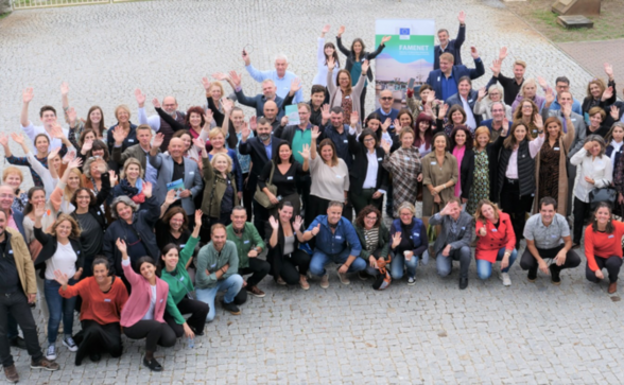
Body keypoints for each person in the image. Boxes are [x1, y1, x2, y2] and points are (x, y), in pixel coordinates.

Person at [0, 211, 60, 383]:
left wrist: (31, 289)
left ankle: (36, 357)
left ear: (5, 222)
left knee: (29, 327)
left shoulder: (15, 237)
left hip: (18, 292)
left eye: (1, 220)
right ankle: (8, 364)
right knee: (1, 332)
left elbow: (27, 262)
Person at [116, 239, 176, 372]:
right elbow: (127, 270)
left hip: (151, 322)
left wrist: (160, 322)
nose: (146, 270)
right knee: (155, 326)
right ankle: (148, 358)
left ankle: (151, 338)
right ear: (140, 272)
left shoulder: (164, 285)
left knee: (170, 340)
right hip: (133, 324)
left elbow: (160, 309)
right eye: (142, 269)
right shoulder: (137, 282)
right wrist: (124, 253)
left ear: (155, 267)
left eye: (149, 266)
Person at [55, 257, 128, 365]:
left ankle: (84, 337)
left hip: (111, 320)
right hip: (91, 319)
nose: (99, 274)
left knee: (116, 351)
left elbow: (124, 305)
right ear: (93, 272)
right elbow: (71, 292)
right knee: (94, 333)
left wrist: (122, 325)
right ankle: (92, 345)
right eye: (96, 271)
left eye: (102, 271)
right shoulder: (87, 282)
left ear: (108, 270)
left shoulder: (118, 284)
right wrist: (65, 286)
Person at [33, 211, 84, 360]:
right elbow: (38, 233)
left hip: (71, 283)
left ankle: (67, 337)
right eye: (62, 226)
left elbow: (81, 255)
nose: (65, 229)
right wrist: (37, 218)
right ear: (55, 228)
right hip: (53, 284)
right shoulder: (49, 240)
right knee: (55, 316)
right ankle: (51, 344)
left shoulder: (74, 241)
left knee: (69, 313)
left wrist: (80, 269)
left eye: (68, 227)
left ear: (71, 229)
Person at [160, 210, 208, 339]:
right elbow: (170, 306)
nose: (173, 258)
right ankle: (167, 326)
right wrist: (184, 325)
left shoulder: (180, 263)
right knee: (178, 333)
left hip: (180, 302)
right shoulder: (163, 279)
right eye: (170, 255)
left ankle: (196, 328)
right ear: (163, 257)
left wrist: (197, 225)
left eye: (176, 255)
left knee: (204, 307)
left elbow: (191, 243)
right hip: (168, 309)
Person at [497, 120, 545, 248]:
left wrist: (540, 129)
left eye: (522, 131)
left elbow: (540, 140)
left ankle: (516, 240)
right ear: (513, 132)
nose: (520, 133)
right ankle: (509, 236)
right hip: (506, 185)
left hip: (522, 186)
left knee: (519, 214)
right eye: (517, 131)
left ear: (526, 132)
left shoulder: (530, 146)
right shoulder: (506, 145)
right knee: (506, 213)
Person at [103, 182, 160, 288]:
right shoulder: (113, 228)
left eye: (126, 207)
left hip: (149, 266)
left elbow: (155, 212)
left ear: (131, 206)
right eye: (120, 210)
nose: (124, 211)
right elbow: (108, 250)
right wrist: (113, 271)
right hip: (128, 272)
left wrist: (150, 197)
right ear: (116, 212)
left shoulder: (142, 216)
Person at [239, 118, 287, 237]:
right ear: (257, 130)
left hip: (276, 183)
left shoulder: (280, 142)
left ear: (271, 129)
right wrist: (244, 138)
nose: (263, 131)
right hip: (257, 183)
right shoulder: (252, 142)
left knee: (275, 211)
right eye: (261, 129)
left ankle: (274, 237)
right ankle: (259, 240)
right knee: (258, 213)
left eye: (266, 128)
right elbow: (243, 150)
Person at [301, 201, 365, 287]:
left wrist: (346, 265)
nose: (336, 216)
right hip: (322, 251)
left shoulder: (346, 223)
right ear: (327, 211)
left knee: (361, 264)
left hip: (341, 252)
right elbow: (304, 237)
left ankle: (341, 270)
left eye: (339, 213)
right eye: (333, 213)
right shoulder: (319, 220)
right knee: (314, 268)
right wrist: (312, 232)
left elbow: (356, 246)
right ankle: (323, 275)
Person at [521, 197, 580, 284]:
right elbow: (530, 245)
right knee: (525, 263)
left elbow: (568, 241)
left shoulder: (562, 221)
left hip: (555, 247)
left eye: (550, 211)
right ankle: (533, 268)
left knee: (575, 260)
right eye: (544, 210)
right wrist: (540, 260)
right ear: (539, 210)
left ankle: (555, 268)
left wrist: (563, 251)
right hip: (537, 247)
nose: (547, 214)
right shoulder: (531, 222)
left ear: (555, 211)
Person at [336, 26, 391, 117]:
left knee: (361, 105)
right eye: (355, 46)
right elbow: (340, 47)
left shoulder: (366, 55)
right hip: (349, 85)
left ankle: (361, 124)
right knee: (348, 104)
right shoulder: (349, 54)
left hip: (362, 85)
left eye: (359, 46)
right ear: (353, 47)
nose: (357, 47)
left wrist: (381, 43)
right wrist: (339, 35)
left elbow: (376, 53)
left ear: (362, 47)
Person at [195, 224, 244, 322]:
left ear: (226, 235)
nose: (220, 240)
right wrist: (222, 270)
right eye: (216, 237)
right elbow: (203, 280)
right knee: (208, 317)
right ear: (211, 236)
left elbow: (234, 269)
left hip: (220, 281)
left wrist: (214, 276)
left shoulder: (231, 246)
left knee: (238, 279)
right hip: (205, 286)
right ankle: (209, 299)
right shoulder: (203, 253)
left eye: (222, 237)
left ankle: (227, 301)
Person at [570, 135, 612, 247]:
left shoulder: (606, 160)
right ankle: (576, 240)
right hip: (580, 193)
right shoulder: (585, 156)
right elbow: (573, 161)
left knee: (593, 220)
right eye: (591, 146)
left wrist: (595, 182)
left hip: (595, 195)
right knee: (577, 217)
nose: (594, 148)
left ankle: (594, 242)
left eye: (596, 146)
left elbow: (608, 180)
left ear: (601, 146)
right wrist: (584, 149)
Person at [150, 134, 203, 219]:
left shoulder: (192, 164)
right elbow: (153, 161)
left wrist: (190, 192)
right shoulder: (163, 158)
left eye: (179, 146)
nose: (176, 149)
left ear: (183, 148)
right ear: (169, 148)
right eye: (173, 146)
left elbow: (199, 185)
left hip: (184, 206)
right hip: (165, 204)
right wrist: (154, 148)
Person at [307, 128, 349, 226]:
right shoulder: (317, 162)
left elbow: (346, 184)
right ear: (320, 152)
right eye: (324, 151)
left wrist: (345, 199)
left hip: (337, 203)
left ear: (333, 150)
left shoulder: (341, 162)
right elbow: (313, 154)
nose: (327, 153)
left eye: (329, 150)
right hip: (319, 201)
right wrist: (313, 140)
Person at [533, 117, 575, 215]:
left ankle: (557, 224)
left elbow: (571, 133)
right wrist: (539, 129)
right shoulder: (542, 140)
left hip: (557, 179)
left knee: (557, 203)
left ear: (559, 127)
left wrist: (568, 117)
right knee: (542, 202)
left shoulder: (563, 141)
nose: (553, 129)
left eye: (555, 127)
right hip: (542, 179)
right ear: (546, 128)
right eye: (550, 127)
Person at [226, 206, 270, 299]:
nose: (239, 220)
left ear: (246, 217)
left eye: (242, 217)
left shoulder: (250, 226)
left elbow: (261, 243)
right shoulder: (225, 232)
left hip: (246, 261)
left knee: (266, 266)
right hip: (233, 267)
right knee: (240, 298)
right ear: (231, 217)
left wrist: (256, 250)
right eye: (236, 217)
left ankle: (250, 285)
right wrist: (237, 278)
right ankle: (235, 283)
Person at [430, 198, 474, 290]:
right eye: (451, 209)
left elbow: (466, 239)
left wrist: (451, 246)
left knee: (466, 250)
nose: (453, 212)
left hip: (459, 248)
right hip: (443, 247)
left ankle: (463, 276)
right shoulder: (445, 214)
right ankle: (448, 264)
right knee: (443, 272)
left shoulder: (468, 219)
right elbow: (431, 222)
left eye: (455, 209)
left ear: (461, 208)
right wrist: (442, 213)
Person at [266, 202, 310, 289]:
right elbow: (272, 245)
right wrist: (275, 229)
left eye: (290, 213)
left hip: (292, 253)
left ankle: (302, 275)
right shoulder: (271, 223)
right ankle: (279, 272)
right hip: (280, 257)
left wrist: (297, 230)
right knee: (293, 279)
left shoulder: (294, 221)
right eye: (285, 212)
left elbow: (302, 240)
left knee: (306, 258)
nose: (287, 215)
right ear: (279, 210)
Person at [258, 142, 310, 216]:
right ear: (278, 152)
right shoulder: (271, 164)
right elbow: (261, 181)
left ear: (291, 152)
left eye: (286, 150)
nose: (284, 153)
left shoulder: (295, 164)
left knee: (292, 223)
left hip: (292, 199)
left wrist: (306, 159)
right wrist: (269, 195)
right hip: (276, 199)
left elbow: (304, 171)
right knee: (276, 222)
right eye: (282, 151)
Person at [473, 199, 517, 286]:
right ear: (481, 213)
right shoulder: (481, 220)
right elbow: (478, 228)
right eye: (484, 211)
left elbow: (511, 237)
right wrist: (482, 231)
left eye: (489, 208)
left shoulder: (505, 217)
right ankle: (484, 263)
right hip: (485, 250)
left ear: (493, 207)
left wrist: (506, 255)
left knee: (513, 252)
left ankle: (504, 272)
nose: (488, 212)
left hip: (501, 248)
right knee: (483, 275)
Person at [381, 129, 422, 217]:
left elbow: (420, 167)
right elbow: (388, 166)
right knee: (400, 212)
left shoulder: (416, 151)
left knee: (410, 211)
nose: (408, 140)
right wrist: (387, 153)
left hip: (412, 187)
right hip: (400, 187)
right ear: (401, 139)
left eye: (410, 138)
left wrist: (421, 173)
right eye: (405, 138)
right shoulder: (396, 153)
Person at [584, 203, 624, 294]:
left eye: (606, 214)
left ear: (609, 216)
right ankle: (598, 275)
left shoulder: (617, 226)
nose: (602, 216)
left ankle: (613, 281)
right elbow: (589, 252)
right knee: (590, 276)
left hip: (614, 257)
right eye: (600, 213)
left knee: (612, 263)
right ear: (595, 214)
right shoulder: (589, 230)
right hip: (598, 256)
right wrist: (596, 270)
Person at [70, 187, 109, 278]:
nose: (84, 200)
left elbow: (105, 191)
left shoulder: (94, 210)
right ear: (75, 199)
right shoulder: (71, 218)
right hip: (85, 261)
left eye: (87, 197)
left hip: (102, 256)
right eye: (80, 197)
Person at [348, 128, 388, 214]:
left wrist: (381, 189)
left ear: (375, 139)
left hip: (375, 192)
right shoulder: (359, 150)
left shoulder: (380, 151)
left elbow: (385, 172)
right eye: (366, 140)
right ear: (362, 141)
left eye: (371, 139)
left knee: (373, 216)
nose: (369, 141)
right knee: (362, 216)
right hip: (359, 192)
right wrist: (352, 127)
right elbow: (351, 143)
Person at [199, 145, 239, 228]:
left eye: (224, 162)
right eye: (219, 162)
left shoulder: (230, 176)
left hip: (229, 214)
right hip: (216, 215)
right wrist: (203, 149)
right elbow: (206, 166)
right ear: (213, 164)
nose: (222, 165)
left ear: (228, 164)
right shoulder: (211, 176)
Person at [421, 133, 458, 225]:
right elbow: (426, 178)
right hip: (430, 194)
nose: (440, 144)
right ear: (433, 143)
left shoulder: (452, 159)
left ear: (446, 144)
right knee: (430, 219)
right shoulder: (426, 159)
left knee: (447, 218)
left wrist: (441, 187)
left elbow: (454, 178)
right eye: (437, 141)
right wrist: (435, 194)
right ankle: (430, 238)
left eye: (442, 141)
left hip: (447, 194)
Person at [463, 126, 501, 214]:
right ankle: (474, 227)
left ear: (489, 138)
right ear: (476, 137)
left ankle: (485, 227)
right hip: (474, 187)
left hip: (486, 188)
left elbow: (500, 142)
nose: (482, 140)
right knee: (473, 210)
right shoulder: (472, 149)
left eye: (485, 137)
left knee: (486, 209)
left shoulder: (491, 148)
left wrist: (504, 131)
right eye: (480, 137)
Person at [389, 202, 427, 285]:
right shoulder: (395, 224)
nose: (405, 217)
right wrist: (393, 245)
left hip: (413, 250)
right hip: (399, 251)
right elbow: (390, 245)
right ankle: (400, 266)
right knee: (396, 275)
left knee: (411, 262)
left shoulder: (419, 224)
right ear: (399, 214)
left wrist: (413, 252)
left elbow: (425, 244)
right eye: (403, 214)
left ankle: (411, 274)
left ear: (413, 214)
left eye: (408, 214)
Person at [327, 56, 367, 124]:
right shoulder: (334, 90)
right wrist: (330, 70)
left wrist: (363, 72)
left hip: (352, 124)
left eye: (346, 78)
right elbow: (329, 81)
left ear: (349, 79)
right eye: (342, 79)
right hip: (337, 123)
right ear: (338, 80)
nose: (344, 81)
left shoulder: (355, 91)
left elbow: (361, 82)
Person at [449, 125, 473, 199]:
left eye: (463, 136)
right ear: (454, 137)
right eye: (458, 135)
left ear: (466, 137)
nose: (460, 138)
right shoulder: (449, 150)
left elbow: (470, 175)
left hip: (461, 191)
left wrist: (465, 195)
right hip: (446, 188)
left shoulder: (470, 153)